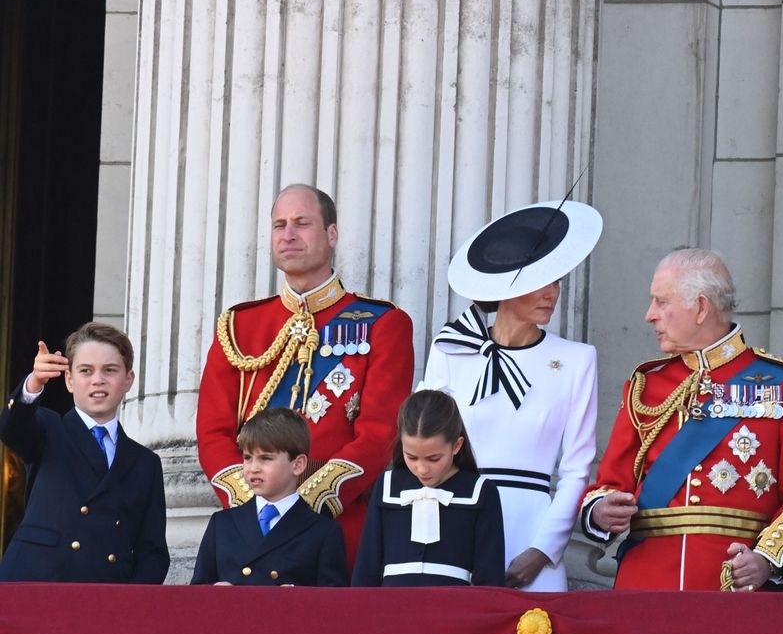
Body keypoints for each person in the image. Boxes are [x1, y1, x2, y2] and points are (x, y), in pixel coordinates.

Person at [581, 248, 783, 591]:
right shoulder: (645, 386)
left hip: (732, 588)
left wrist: (765, 559)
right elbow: (608, 483)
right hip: (644, 585)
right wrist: (601, 510)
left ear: (700, 307)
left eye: (661, 302)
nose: (650, 315)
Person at [196, 184, 415, 568]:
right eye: (280, 225)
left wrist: (302, 504)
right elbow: (213, 431)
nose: (288, 235)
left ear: (332, 234)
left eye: (302, 223)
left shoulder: (383, 324)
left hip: (337, 529)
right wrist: (257, 505)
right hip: (252, 530)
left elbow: (381, 433)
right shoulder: (239, 325)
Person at [421, 200, 602, 591]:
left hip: (534, 531)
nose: (551, 292)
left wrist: (543, 550)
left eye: (556, 280)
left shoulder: (576, 360)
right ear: (504, 285)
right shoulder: (451, 349)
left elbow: (575, 470)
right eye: (539, 280)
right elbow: (419, 447)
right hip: (454, 522)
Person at [0, 322, 168, 583]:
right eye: (86, 371)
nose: (97, 379)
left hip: (105, 595)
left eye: (109, 370)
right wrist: (33, 383)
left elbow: (153, 551)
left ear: (128, 380)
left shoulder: (145, 463)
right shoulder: (47, 427)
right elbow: (12, 429)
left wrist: (133, 605)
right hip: (35, 584)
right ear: (69, 380)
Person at [352, 390, 505, 586]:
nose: (422, 469)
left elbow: (490, 578)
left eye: (434, 458)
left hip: (453, 610)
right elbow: (366, 567)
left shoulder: (481, 491)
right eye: (412, 457)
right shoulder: (387, 485)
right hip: (390, 608)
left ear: (457, 446)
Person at [191, 408, 349, 586]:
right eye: (248, 457)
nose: (253, 468)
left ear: (298, 465)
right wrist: (214, 592)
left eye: (266, 458)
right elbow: (196, 595)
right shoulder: (222, 524)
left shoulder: (323, 532)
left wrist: (301, 600)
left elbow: (334, 605)